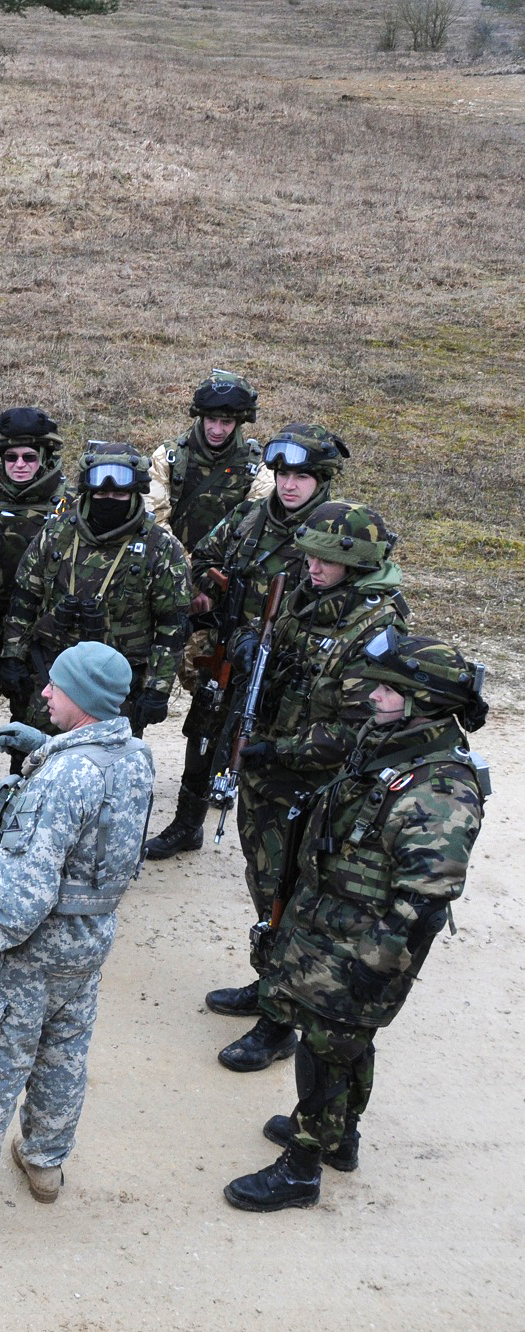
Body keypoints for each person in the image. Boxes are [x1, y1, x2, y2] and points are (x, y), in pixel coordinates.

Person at [225, 633, 486, 1211]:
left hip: (365, 943)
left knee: (326, 1046)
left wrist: (373, 968)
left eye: (388, 689)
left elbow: (423, 902)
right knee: (342, 1041)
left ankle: (302, 1166)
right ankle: (340, 1137)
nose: (372, 694)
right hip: (332, 922)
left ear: (423, 703)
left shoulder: (439, 790)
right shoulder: (391, 741)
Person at [0, 643, 154, 1219]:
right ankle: (45, 1161)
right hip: (88, 938)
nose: (45, 693)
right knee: (63, 1051)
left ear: (86, 700)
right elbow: (93, 795)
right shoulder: (136, 755)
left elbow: (25, 892)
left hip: (31, 947)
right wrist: (45, 748)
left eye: (56, 687)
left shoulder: (65, 778)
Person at [212, 501, 408, 1072]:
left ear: (358, 561)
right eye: (308, 556)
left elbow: (358, 727)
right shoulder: (304, 594)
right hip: (267, 772)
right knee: (264, 881)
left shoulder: (376, 629)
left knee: (293, 898)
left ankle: (280, 1021)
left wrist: (281, 749)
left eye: (323, 559)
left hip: (313, 786)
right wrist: (251, 644)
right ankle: (269, 978)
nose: (310, 566)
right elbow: (275, 637)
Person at [146, 424, 347, 861]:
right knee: (203, 735)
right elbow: (204, 556)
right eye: (282, 475)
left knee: (280, 753)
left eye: (302, 477)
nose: (288, 485)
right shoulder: (250, 516)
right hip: (228, 654)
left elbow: (346, 602)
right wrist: (210, 590)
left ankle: (287, 849)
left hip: (293, 666)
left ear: (322, 480)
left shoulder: (337, 529)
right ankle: (187, 823)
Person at [0, 442, 190, 739]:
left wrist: (157, 689)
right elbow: (24, 599)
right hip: (51, 676)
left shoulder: (161, 548)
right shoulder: (56, 534)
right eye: (100, 493)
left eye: (119, 493)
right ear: (88, 492)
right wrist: (12, 657)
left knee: (108, 769)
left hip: (117, 686)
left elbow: (172, 627)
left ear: (134, 492)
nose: (109, 499)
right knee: (33, 761)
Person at [0, 409, 71, 808]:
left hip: (38, 631)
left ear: (46, 458)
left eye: (30, 458)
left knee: (32, 713)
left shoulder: (67, 506)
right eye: (11, 458)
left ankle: (20, 789)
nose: (20, 466)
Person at [148, 371, 271, 558]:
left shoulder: (257, 465)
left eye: (226, 422)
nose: (217, 430)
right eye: (211, 420)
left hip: (223, 568)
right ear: (201, 416)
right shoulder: (168, 456)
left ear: (239, 422)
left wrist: (212, 568)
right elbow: (155, 520)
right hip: (169, 564)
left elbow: (252, 525)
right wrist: (183, 563)